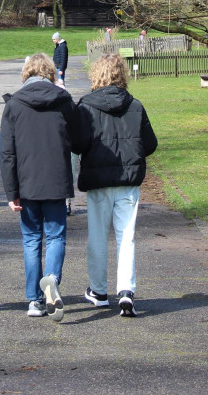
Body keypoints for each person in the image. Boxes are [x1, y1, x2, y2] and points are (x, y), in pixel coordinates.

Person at [0, 53, 83, 322]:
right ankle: (52, 279)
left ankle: (34, 299)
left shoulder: (14, 105)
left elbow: (7, 153)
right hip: (56, 178)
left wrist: (11, 192)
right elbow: (77, 139)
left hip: (27, 182)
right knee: (56, 236)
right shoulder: (64, 101)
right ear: (50, 72)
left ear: (26, 72)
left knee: (31, 239)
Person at [76, 55, 157, 317]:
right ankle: (125, 291)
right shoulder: (135, 105)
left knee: (98, 237)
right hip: (127, 181)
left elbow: (77, 144)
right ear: (123, 74)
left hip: (98, 181)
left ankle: (99, 291)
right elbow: (150, 143)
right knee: (126, 237)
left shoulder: (85, 106)